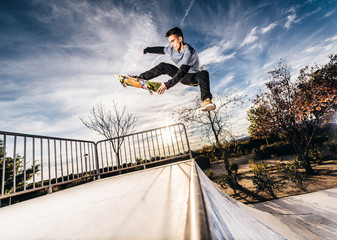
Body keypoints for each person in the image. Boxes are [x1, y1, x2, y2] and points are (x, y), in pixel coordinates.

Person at [133, 27, 216, 111]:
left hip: (193, 78)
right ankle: (141, 78)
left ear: (180, 39)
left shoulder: (189, 52)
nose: (171, 45)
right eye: (170, 42)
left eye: (173, 41)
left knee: (203, 73)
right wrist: (147, 49)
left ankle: (206, 100)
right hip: (180, 75)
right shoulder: (172, 50)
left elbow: (183, 71)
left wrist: (167, 84)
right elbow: (161, 49)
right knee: (163, 66)